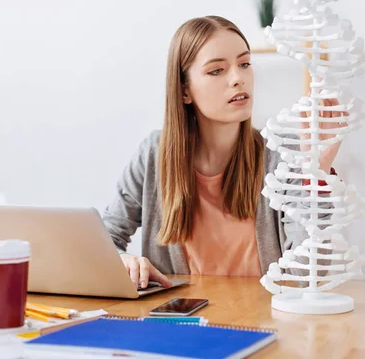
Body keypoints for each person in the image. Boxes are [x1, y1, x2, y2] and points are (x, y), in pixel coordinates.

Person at [103, 16, 345, 290]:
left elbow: (309, 273)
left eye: (244, 64)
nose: (238, 79)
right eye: (217, 70)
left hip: (265, 323)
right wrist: (121, 260)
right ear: (184, 91)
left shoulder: (285, 153)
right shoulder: (154, 154)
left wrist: (317, 170)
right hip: (177, 325)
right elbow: (105, 238)